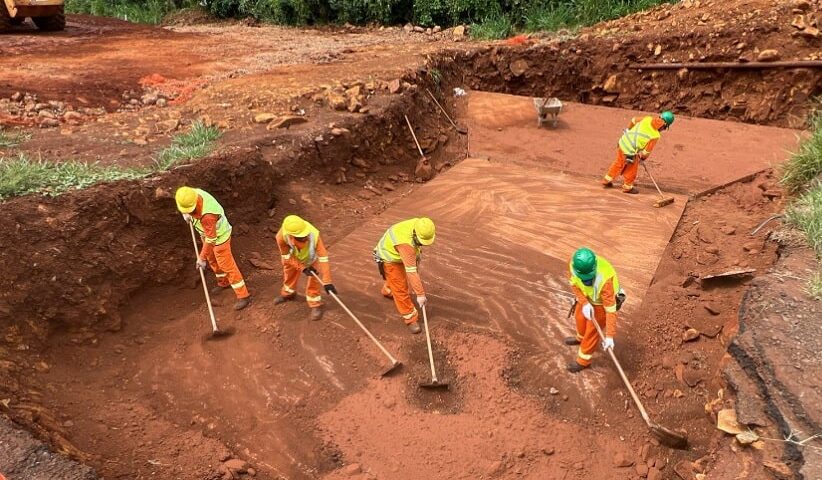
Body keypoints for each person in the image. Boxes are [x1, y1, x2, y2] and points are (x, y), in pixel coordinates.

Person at [175, 186, 251, 311]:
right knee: (212, 260)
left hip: (220, 237)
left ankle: (243, 295)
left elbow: (211, 239)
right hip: (206, 235)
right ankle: (223, 282)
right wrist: (186, 214)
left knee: (226, 265)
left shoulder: (208, 216)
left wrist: (201, 258)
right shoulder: (189, 194)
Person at [564, 247, 624, 373]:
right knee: (580, 318)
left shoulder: (605, 280)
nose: (586, 282)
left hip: (601, 304)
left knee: (592, 331)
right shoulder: (572, 265)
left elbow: (610, 310)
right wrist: (584, 303)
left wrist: (609, 336)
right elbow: (574, 285)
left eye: (589, 279)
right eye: (583, 279)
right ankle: (580, 338)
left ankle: (583, 361)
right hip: (586, 298)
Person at [373, 217, 436, 334]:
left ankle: (387, 290)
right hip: (389, 258)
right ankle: (410, 318)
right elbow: (411, 271)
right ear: (416, 235)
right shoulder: (406, 245)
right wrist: (420, 294)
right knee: (400, 288)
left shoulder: (419, 224)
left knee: (395, 280)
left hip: (396, 250)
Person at [273, 215, 334, 321]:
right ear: (291, 236)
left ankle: (315, 304)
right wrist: (303, 268)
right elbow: (286, 256)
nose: (306, 238)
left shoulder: (314, 234)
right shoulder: (281, 236)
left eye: (305, 235)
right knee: (289, 275)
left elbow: (323, 257)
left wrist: (327, 281)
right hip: (293, 258)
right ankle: (288, 293)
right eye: (301, 237)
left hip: (311, 259)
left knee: (314, 281)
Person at [602, 111, 675, 194]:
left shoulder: (647, 119)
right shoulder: (655, 135)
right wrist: (642, 158)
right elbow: (646, 152)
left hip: (623, 142)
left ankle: (607, 179)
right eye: (664, 128)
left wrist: (628, 129)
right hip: (630, 150)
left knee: (618, 162)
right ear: (664, 125)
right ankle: (627, 187)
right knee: (632, 169)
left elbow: (633, 120)